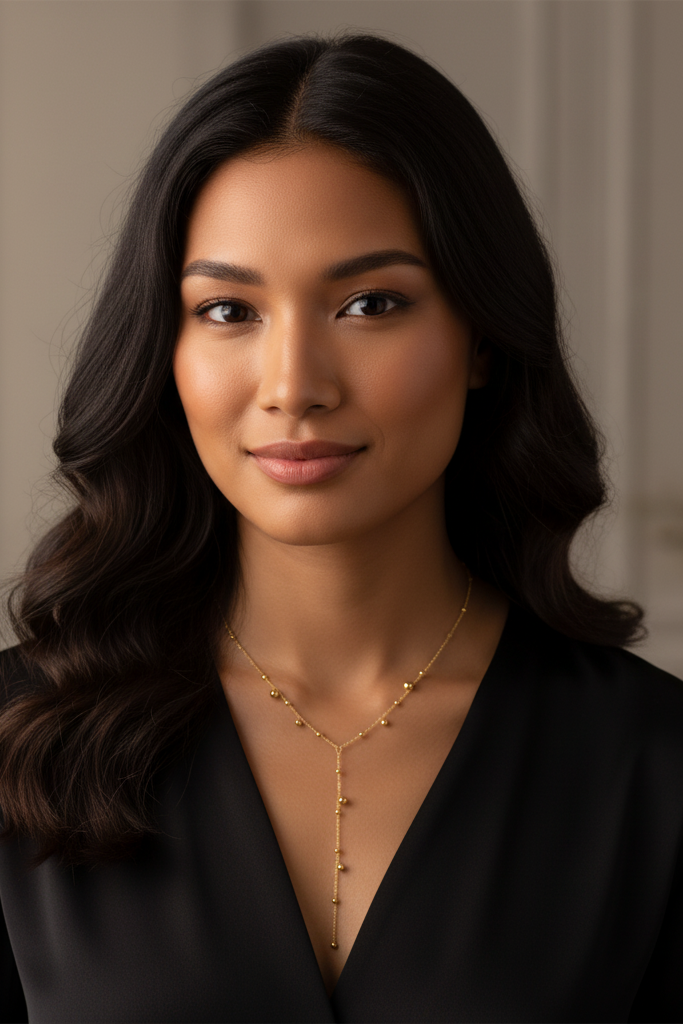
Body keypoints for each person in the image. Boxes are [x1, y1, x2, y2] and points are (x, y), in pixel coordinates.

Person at [0, 32, 681, 1024]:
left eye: (370, 303)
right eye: (229, 310)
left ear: (481, 336)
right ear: (164, 347)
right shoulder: (20, 743)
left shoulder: (649, 766)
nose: (292, 388)